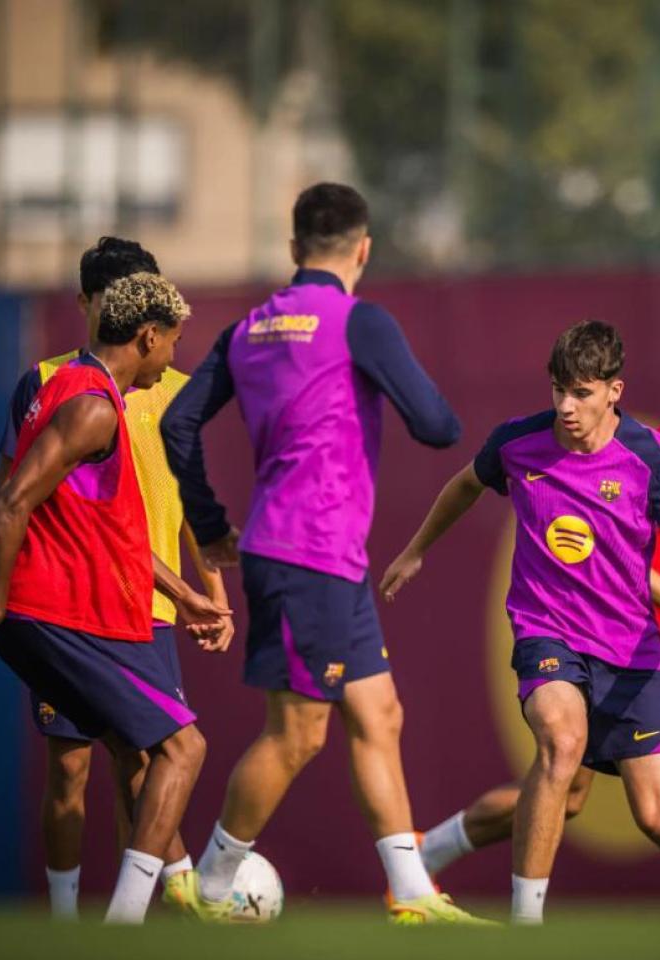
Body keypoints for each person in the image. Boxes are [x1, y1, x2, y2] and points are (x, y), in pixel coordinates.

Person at [161, 182, 483, 924]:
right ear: (364, 250)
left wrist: (209, 522)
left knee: (379, 712)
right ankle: (207, 890)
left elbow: (179, 424)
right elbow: (437, 426)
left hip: (316, 554)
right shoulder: (359, 321)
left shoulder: (249, 329)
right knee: (298, 734)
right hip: (311, 552)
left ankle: (410, 896)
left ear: (292, 247)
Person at [381, 320, 660, 926]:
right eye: (558, 390)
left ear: (614, 390)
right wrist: (417, 548)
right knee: (561, 740)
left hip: (630, 656)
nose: (566, 406)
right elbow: (465, 485)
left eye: (580, 392)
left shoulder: (651, 456)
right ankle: (529, 927)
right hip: (546, 632)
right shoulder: (518, 443)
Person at [0, 273, 230, 925]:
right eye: (173, 343)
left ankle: (115, 917)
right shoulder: (95, 405)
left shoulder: (74, 389)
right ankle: (123, 926)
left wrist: (184, 595)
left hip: (57, 612)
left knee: (140, 753)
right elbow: (12, 498)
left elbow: (113, 533)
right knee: (184, 750)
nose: (174, 357)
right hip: (58, 612)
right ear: (147, 336)